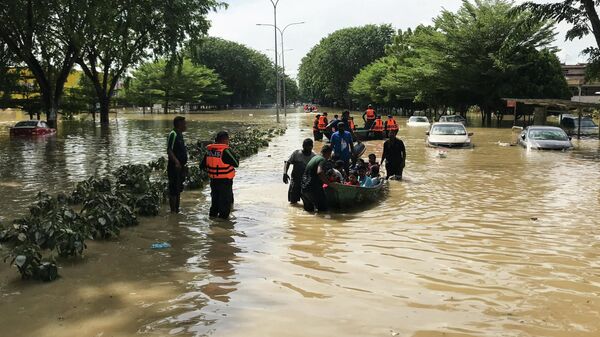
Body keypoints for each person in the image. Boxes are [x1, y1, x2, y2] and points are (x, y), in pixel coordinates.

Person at [200, 131, 239, 219]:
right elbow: (236, 163)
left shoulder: (209, 151)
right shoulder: (225, 151)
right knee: (225, 205)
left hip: (213, 181)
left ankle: (212, 223)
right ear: (225, 140)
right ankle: (224, 227)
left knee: (215, 203)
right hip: (225, 182)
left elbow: (201, 166)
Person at [301, 145, 333, 212]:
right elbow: (319, 172)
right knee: (323, 211)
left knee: (309, 212)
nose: (329, 157)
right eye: (330, 154)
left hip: (304, 189)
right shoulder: (322, 159)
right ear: (328, 153)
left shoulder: (314, 157)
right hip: (314, 189)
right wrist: (329, 184)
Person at [283, 139, 316, 204]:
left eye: (310, 147)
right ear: (303, 146)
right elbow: (287, 162)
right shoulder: (296, 153)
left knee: (308, 201)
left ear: (312, 147)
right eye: (306, 147)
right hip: (295, 180)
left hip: (307, 182)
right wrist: (285, 173)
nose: (308, 149)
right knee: (293, 202)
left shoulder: (313, 156)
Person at [167, 116, 188, 213]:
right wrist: (176, 162)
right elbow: (169, 150)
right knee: (173, 189)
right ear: (179, 124)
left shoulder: (180, 134)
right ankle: (173, 212)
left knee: (178, 188)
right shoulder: (173, 134)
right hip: (174, 166)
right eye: (184, 123)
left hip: (181, 167)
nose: (186, 125)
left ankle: (177, 210)